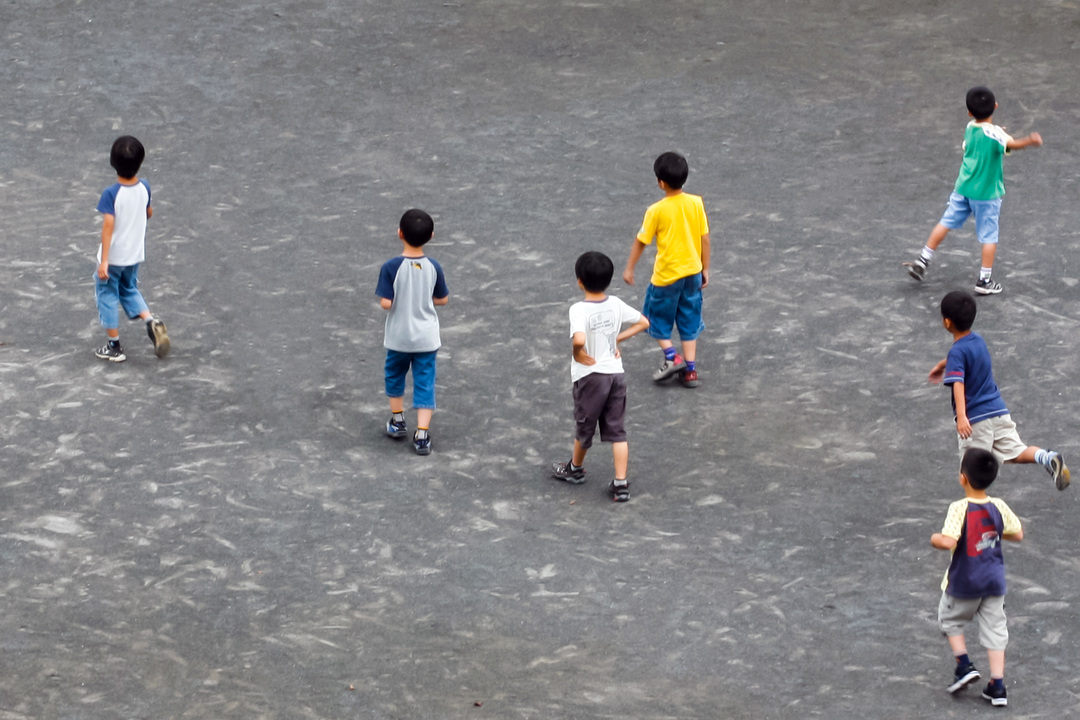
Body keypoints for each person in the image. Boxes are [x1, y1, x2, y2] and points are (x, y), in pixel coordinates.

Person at [905, 86, 1043, 295]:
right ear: (995, 106)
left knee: (945, 223)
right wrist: (1030, 141)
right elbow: (1012, 144)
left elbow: (984, 141)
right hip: (987, 196)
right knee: (989, 237)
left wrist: (1000, 134)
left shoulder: (970, 128)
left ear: (970, 112)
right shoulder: (997, 134)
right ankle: (984, 280)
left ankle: (923, 259)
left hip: (963, 190)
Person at [929, 291, 1069, 490]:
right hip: (998, 412)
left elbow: (958, 382)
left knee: (970, 471)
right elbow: (964, 360)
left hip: (976, 420)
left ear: (947, 322)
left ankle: (975, 511)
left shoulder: (957, 352)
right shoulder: (978, 340)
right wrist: (944, 365)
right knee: (1017, 452)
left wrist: (961, 416)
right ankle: (1046, 457)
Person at [552, 251, 650, 502]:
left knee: (585, 425)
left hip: (591, 377)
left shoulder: (578, 309)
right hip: (616, 375)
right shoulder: (616, 303)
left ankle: (575, 468)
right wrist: (617, 338)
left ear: (579, 281)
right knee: (617, 430)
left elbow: (580, 339)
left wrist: (578, 352)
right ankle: (620, 483)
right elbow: (643, 322)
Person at [931, 448, 1022, 707]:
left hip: (964, 581)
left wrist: (935, 538)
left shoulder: (959, 508)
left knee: (949, 619)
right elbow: (1017, 534)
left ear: (963, 478)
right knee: (996, 631)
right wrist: (994, 532)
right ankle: (998, 685)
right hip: (994, 582)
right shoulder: (999, 506)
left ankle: (964, 664)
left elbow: (948, 540)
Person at [623, 151, 710, 387]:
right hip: (692, 273)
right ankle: (691, 372)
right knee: (689, 319)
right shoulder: (696, 203)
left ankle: (672, 356)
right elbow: (705, 239)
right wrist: (705, 268)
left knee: (654, 318)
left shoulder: (656, 210)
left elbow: (641, 241)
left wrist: (630, 268)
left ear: (660, 183)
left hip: (666, 277)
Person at [376, 209, 449, 455]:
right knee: (425, 382)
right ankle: (422, 434)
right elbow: (443, 299)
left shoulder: (390, 267)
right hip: (427, 339)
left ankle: (397, 420)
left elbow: (386, 303)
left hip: (399, 337)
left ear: (400, 234)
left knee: (395, 375)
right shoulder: (434, 267)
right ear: (431, 235)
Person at [93, 136, 169, 362]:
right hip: (134, 255)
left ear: (112, 162)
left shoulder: (111, 194)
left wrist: (104, 261)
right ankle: (150, 321)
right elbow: (148, 213)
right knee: (128, 289)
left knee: (107, 294)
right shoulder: (144, 187)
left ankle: (114, 346)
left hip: (114, 257)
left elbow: (108, 228)